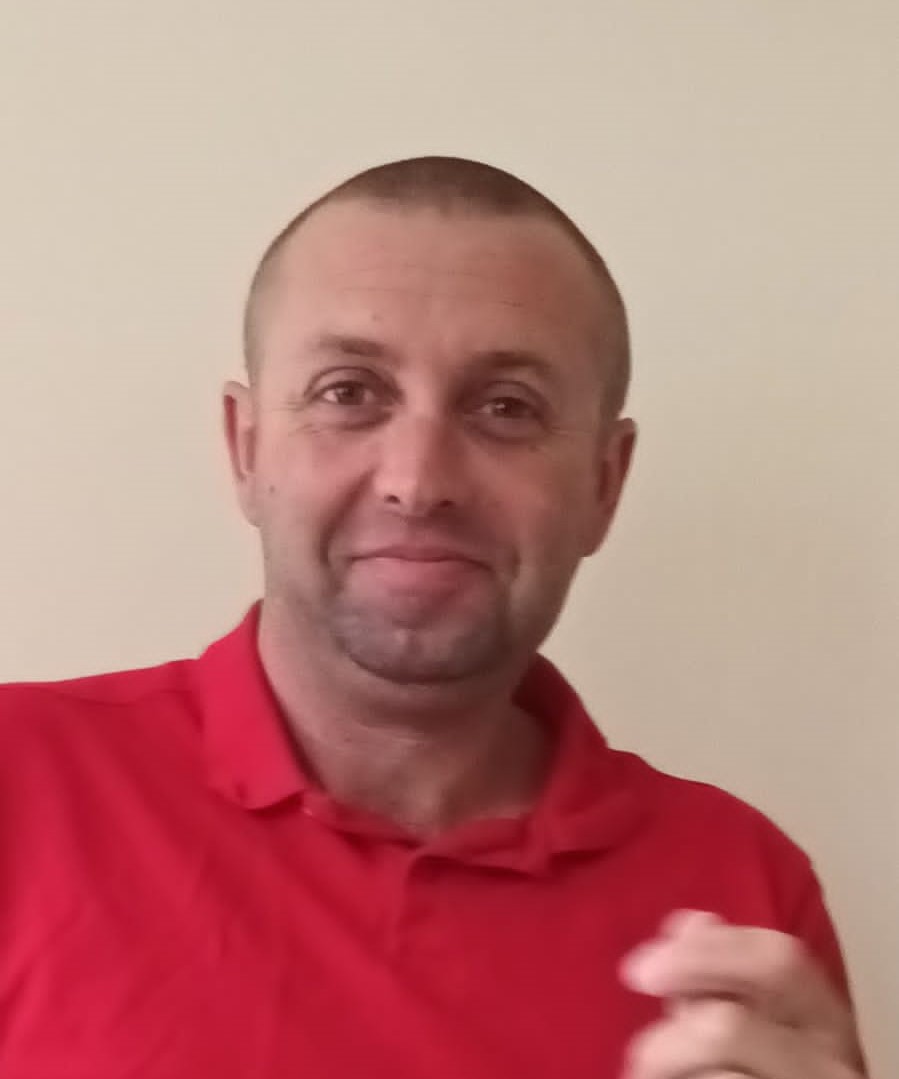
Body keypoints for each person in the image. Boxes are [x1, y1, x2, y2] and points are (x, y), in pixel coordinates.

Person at [0, 157, 866, 1079]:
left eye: (506, 408)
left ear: (603, 485)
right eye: (348, 392)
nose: (418, 481)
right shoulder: (22, 782)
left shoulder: (741, 887)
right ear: (245, 446)